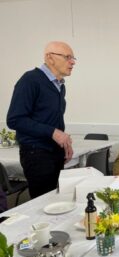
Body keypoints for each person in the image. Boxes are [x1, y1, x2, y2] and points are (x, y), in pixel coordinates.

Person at [7, 41, 75, 199]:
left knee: (57, 202)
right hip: (36, 153)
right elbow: (14, 119)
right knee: (44, 205)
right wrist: (53, 133)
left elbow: (51, 121)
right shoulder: (30, 80)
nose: (72, 62)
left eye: (73, 58)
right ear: (50, 58)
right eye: (67, 57)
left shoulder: (59, 86)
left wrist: (64, 142)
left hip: (54, 153)